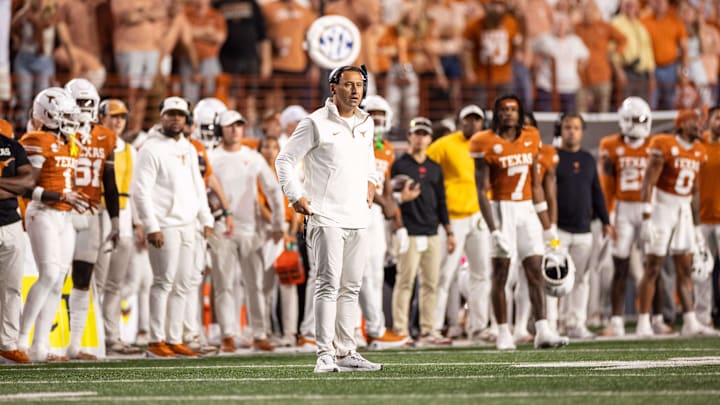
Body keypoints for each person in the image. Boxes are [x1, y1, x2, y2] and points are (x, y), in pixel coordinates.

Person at [275, 65, 383, 373]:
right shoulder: (314, 123)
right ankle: (324, 353)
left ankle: (346, 350)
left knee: (351, 286)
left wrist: (372, 182)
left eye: (359, 85)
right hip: (325, 215)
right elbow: (284, 160)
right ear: (333, 88)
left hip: (358, 215)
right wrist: (295, 195)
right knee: (327, 283)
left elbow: (368, 161)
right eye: (348, 85)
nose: (355, 90)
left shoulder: (367, 122)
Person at [469, 94, 569, 351]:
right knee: (501, 274)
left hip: (526, 209)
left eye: (513, 109)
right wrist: (493, 229)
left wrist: (548, 228)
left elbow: (536, 185)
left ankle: (543, 330)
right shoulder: (484, 141)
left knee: (535, 270)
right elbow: (481, 189)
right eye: (504, 109)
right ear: (496, 113)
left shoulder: (532, 136)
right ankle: (503, 331)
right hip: (501, 208)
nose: (509, 113)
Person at [130, 96, 214, 357]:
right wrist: (151, 225)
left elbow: (197, 185)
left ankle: (175, 337)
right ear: (161, 116)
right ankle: (156, 340)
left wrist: (206, 217)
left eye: (180, 114)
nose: (175, 118)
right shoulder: (150, 148)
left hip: (189, 224)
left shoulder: (188, 146)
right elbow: (140, 191)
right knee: (163, 282)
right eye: (170, 114)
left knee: (183, 285)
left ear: (186, 118)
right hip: (165, 225)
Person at [18, 87, 93, 362]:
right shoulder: (36, 140)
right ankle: (19, 341)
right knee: (49, 274)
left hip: (64, 215)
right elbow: (26, 188)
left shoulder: (70, 141)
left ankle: (40, 346)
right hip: (42, 212)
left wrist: (73, 197)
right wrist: (60, 195)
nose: (73, 119)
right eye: (66, 114)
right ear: (48, 115)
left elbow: (65, 180)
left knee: (59, 278)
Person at [636, 109, 718, 337]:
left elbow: (695, 190)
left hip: (683, 210)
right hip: (663, 208)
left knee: (685, 269)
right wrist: (646, 217)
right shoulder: (664, 143)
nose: (699, 126)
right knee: (653, 267)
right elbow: (648, 183)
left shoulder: (699, 151)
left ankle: (691, 321)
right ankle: (644, 322)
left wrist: (697, 226)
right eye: (694, 122)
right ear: (681, 125)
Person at [209, 109, 284, 352]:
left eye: (239, 125)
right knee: (224, 285)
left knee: (255, 285)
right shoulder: (211, 157)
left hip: (250, 229)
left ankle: (259, 332)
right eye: (230, 125)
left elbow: (273, 189)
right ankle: (228, 334)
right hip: (221, 228)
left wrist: (278, 223)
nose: (235, 129)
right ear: (221, 128)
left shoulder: (253, 157)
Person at [64, 78, 120, 361]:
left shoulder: (106, 136)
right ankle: (45, 341)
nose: (84, 108)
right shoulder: (58, 133)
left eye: (88, 103)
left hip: (91, 210)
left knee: (83, 277)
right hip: (60, 209)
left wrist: (116, 219)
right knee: (55, 274)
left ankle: (75, 343)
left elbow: (109, 181)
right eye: (79, 102)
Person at [426, 104, 491, 342]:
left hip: (478, 216)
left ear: (482, 123)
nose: (472, 124)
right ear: (459, 121)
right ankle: (433, 328)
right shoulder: (445, 144)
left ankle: (478, 327)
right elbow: (423, 166)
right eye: (468, 119)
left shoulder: (487, 143)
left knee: (482, 273)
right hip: (452, 218)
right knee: (444, 274)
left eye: (477, 120)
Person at [598, 96, 660, 337]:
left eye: (642, 119)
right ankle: (617, 321)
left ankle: (656, 319)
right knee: (620, 266)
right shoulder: (610, 145)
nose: (639, 123)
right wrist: (609, 217)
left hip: (649, 209)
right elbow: (608, 183)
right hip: (623, 208)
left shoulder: (655, 143)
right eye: (635, 119)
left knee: (654, 264)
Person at [390, 116, 455, 345]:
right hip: (408, 231)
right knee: (405, 282)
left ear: (429, 138)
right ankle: (400, 329)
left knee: (431, 283)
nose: (420, 138)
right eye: (416, 133)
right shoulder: (400, 165)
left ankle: (429, 330)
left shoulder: (434, 168)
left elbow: (441, 201)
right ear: (409, 136)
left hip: (432, 231)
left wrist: (449, 231)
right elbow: (391, 198)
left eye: (424, 134)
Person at [554, 113, 613, 338]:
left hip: (583, 228)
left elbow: (596, 191)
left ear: (582, 131)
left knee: (582, 279)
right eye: (568, 127)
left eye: (576, 127)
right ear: (561, 130)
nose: (572, 131)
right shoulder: (553, 157)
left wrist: (606, 221)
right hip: (558, 229)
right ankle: (553, 322)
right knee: (555, 279)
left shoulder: (588, 159)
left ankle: (576, 322)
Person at [93, 99, 143, 355]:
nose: (118, 121)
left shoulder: (130, 150)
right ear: (101, 117)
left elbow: (134, 190)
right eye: (113, 116)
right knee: (97, 282)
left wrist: (138, 223)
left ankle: (111, 337)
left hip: (122, 216)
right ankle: (94, 337)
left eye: (122, 117)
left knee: (115, 283)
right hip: (99, 213)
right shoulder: (94, 143)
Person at [358, 95, 408, 349]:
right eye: (373, 114)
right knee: (361, 272)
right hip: (358, 210)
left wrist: (394, 219)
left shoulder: (386, 147)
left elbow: (386, 184)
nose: (377, 120)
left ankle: (371, 329)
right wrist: (385, 203)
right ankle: (365, 328)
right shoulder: (356, 142)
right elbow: (358, 180)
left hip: (376, 215)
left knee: (375, 273)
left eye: (381, 115)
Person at [0, 119, 35, 364]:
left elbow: (28, 183)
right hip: (10, 219)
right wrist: (13, 188)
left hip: (11, 224)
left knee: (12, 288)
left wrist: (14, 188)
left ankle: (7, 344)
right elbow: (19, 185)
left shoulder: (12, 146)